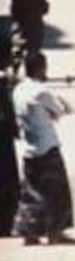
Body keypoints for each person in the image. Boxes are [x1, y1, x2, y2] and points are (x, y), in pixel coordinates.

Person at [13, 52, 75, 245]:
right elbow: (62, 110)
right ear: (41, 68)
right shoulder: (41, 91)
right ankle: (55, 232)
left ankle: (30, 233)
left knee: (31, 193)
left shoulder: (18, 90)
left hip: (29, 148)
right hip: (47, 147)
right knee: (56, 193)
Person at [0, 38, 19, 236]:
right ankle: (5, 224)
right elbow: (7, 109)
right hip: (3, 137)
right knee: (7, 180)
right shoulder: (2, 82)